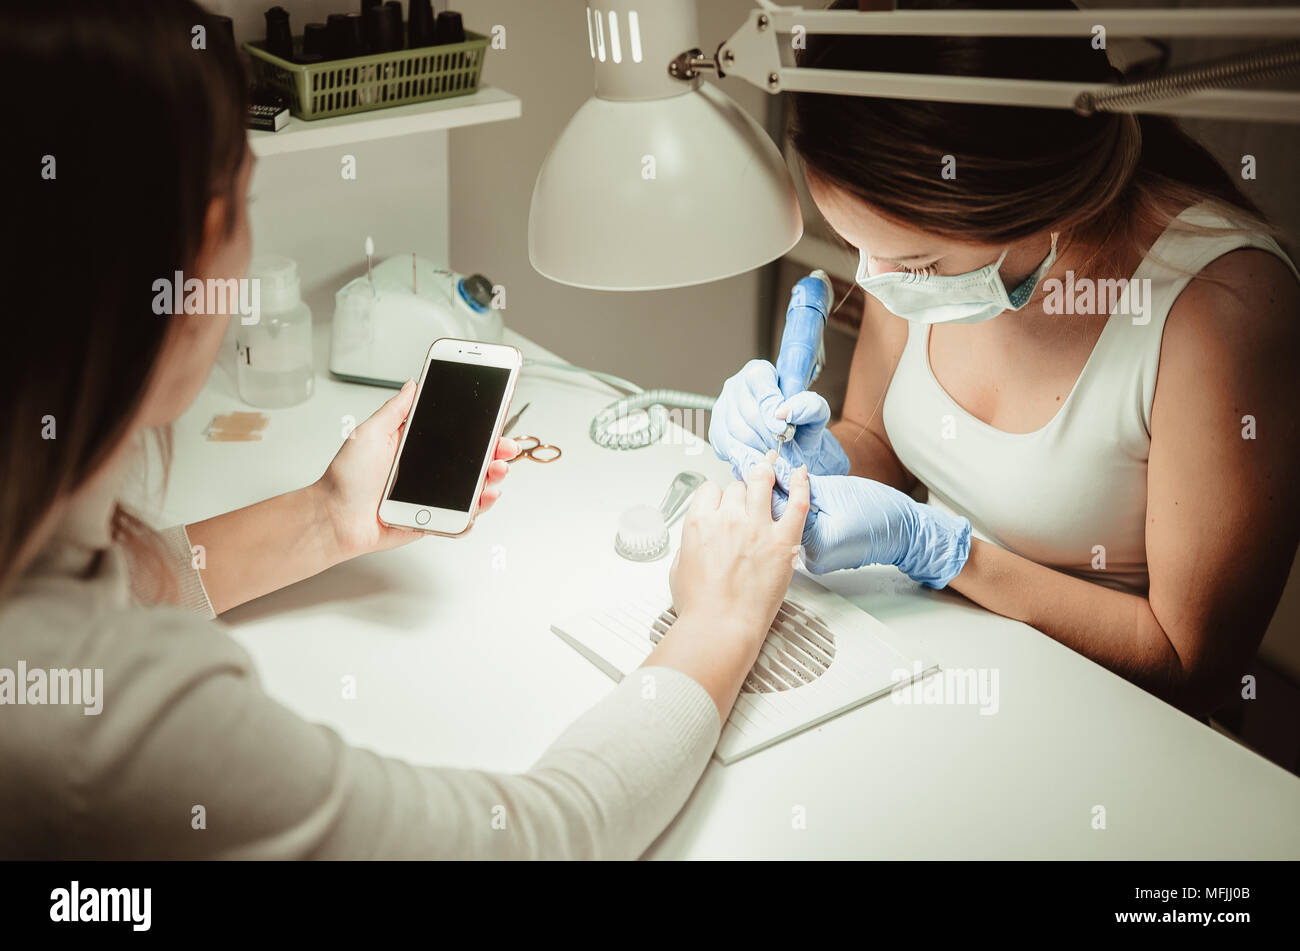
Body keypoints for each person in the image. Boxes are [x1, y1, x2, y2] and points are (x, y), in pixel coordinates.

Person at [0, 0, 809, 858]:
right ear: (201, 252)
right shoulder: (110, 724)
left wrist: (322, 517)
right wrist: (716, 628)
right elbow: (539, 838)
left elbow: (98, 582)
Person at [710, 0, 1300, 718]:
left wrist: (945, 552)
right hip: (925, 670)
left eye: (914, 264)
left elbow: (1189, 658)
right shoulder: (926, 239)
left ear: (1037, 205)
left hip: (1111, 724)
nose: (874, 283)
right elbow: (877, 442)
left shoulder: (1220, 308)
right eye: (858, 247)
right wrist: (803, 457)